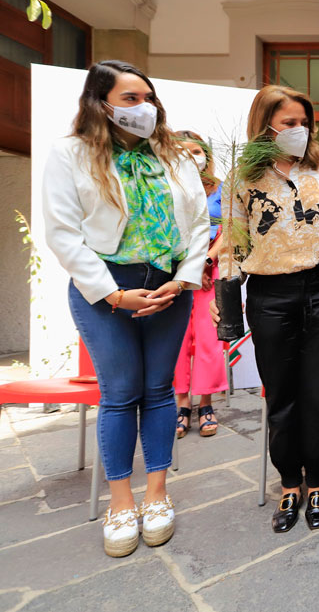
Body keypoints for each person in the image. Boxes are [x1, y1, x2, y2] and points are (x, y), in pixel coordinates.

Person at [42, 60, 209, 557]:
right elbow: (63, 233)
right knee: (119, 394)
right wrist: (113, 294)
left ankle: (157, 494)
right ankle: (120, 501)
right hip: (105, 291)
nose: (144, 108)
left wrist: (181, 282)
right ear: (102, 103)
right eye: (131, 99)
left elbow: (199, 225)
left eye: (148, 97)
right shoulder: (69, 154)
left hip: (167, 286)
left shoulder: (175, 155)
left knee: (159, 390)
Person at [218, 84, 319, 534]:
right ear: (265, 125)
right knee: (282, 394)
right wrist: (229, 309)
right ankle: (289, 482)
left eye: (304, 122)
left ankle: (318, 481)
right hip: (270, 294)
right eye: (288, 123)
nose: (299, 130)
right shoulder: (242, 177)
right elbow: (233, 244)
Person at [173, 130, 227, 438]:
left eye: (196, 151)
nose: (192, 157)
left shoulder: (221, 189)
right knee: (179, 340)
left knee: (209, 341)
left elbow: (231, 231)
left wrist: (205, 262)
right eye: (183, 152)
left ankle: (206, 403)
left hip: (212, 272)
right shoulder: (166, 188)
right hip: (176, 276)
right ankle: (182, 404)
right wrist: (188, 268)